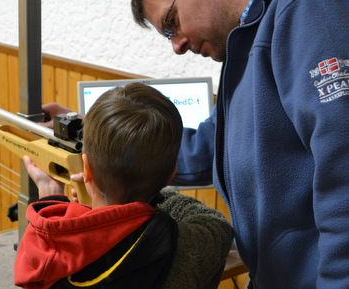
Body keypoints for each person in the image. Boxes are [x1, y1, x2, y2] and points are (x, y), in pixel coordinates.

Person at [131, 0, 349, 288]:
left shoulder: (309, 3)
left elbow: (344, 166)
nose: (177, 45)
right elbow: (203, 151)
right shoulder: (245, 44)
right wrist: (87, 135)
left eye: (171, 23)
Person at [14, 83, 233, 289]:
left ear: (86, 168)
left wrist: (52, 201)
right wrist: (139, 187)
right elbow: (214, 224)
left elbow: (52, 239)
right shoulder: (191, 245)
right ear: (171, 176)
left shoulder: (44, 253)